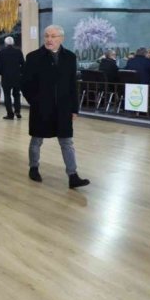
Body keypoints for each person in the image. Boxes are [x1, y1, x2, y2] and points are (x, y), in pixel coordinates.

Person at [21, 25, 90, 189]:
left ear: (61, 38)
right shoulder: (33, 57)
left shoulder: (70, 57)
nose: (49, 39)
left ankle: (73, 175)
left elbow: (72, 85)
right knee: (37, 139)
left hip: (63, 108)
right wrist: (35, 101)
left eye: (53, 36)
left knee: (67, 142)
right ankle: (33, 167)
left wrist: (74, 108)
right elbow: (25, 84)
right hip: (41, 107)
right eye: (46, 36)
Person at [0, 36, 25, 120]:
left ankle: (10, 114)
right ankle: (17, 111)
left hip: (6, 77)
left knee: (7, 95)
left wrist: (2, 73)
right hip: (17, 77)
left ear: (5, 43)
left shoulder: (1, 52)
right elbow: (23, 64)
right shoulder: (18, 51)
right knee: (17, 94)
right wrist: (20, 73)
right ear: (13, 43)